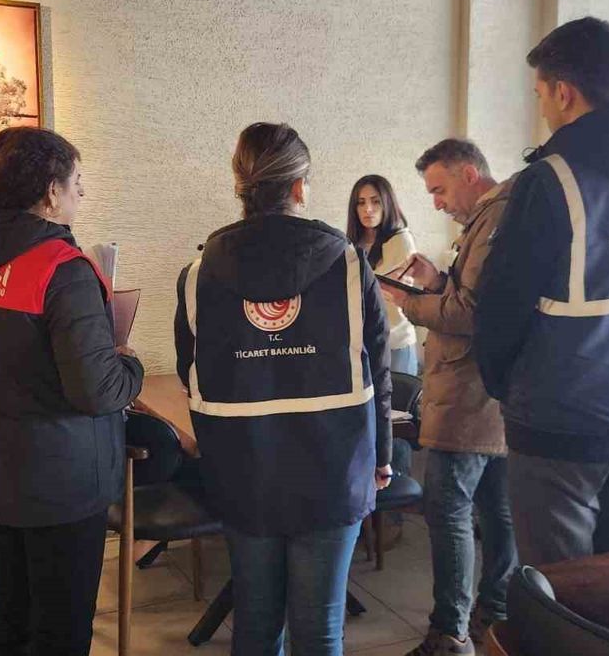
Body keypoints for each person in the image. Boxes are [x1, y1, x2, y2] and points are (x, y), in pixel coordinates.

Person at [474, 16, 609, 567]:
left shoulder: (551, 178)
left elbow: (501, 304)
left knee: (562, 586)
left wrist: (505, 386)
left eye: (540, 94)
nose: (542, 108)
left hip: (561, 418)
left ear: (563, 93)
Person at [174, 122, 393, 656]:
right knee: (319, 629)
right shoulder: (348, 263)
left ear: (241, 186)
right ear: (299, 187)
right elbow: (378, 368)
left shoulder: (199, 272)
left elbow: (189, 372)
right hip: (334, 467)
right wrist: (382, 456)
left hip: (242, 470)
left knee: (255, 623)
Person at [0, 126, 144, 656]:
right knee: (60, 631)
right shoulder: (61, 268)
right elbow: (97, 391)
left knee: (9, 618)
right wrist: (129, 363)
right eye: (77, 181)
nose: (82, 192)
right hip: (63, 481)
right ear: (51, 192)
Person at [378, 139, 517, 656]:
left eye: (439, 189)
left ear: (468, 173)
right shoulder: (492, 219)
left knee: (449, 511)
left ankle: (450, 634)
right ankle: (495, 617)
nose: (436, 203)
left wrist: (407, 301)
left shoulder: (496, 219)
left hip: (468, 399)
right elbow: (472, 297)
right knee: (497, 511)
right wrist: (437, 280)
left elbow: (470, 314)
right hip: (491, 396)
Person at [346, 174, 420, 375]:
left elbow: (392, 293)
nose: (368, 209)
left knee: (398, 395)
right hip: (363, 343)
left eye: (375, 201)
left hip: (396, 341)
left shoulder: (401, 240)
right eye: (361, 203)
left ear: (387, 203)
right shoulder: (352, 245)